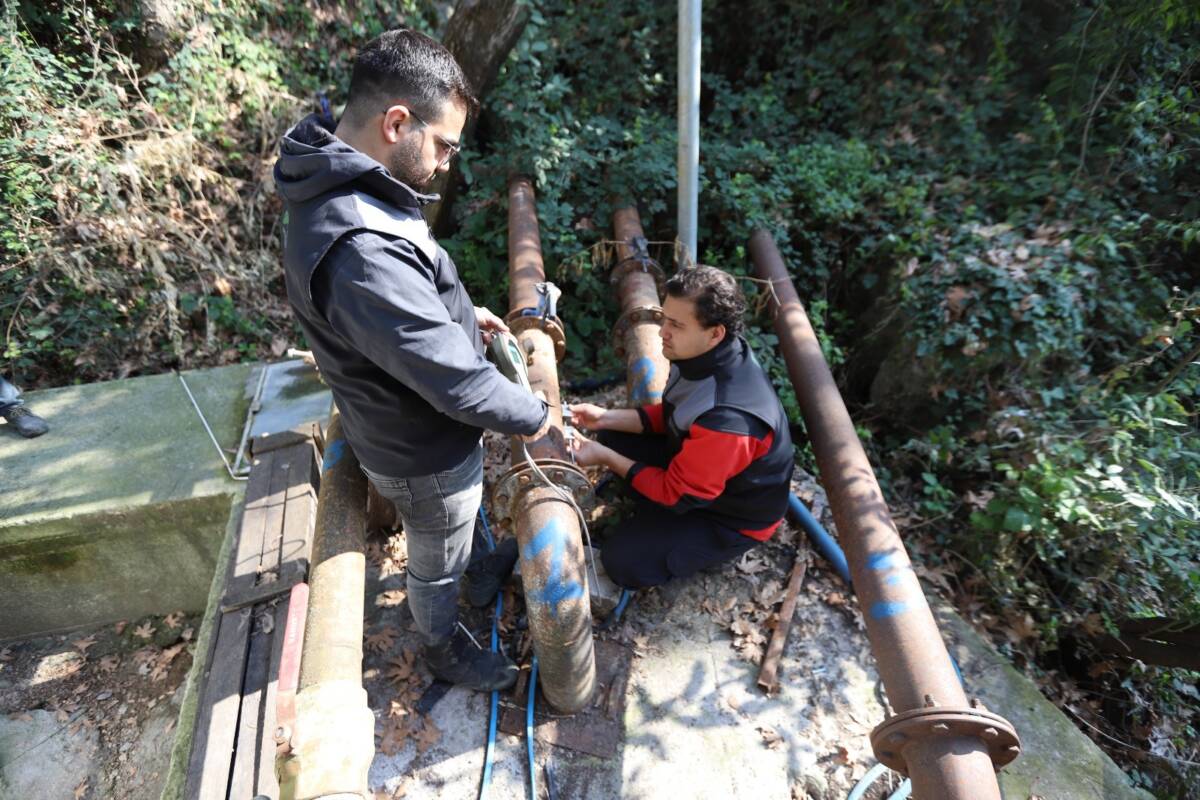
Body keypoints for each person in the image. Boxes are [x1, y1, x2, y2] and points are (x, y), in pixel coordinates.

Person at [274, 29, 550, 692]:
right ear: (398, 121)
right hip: (421, 453)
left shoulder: (348, 175)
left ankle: (481, 568)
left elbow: (409, 301)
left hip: (422, 430)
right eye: (446, 144)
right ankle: (440, 646)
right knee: (435, 562)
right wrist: (538, 414)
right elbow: (457, 386)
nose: (450, 163)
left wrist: (462, 313)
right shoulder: (357, 251)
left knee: (464, 526)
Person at [569, 266, 794, 588]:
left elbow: (677, 495)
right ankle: (647, 510)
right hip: (699, 469)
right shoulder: (709, 354)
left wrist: (606, 458)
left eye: (676, 324)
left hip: (729, 515)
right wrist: (603, 417)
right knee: (611, 433)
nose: (662, 332)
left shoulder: (730, 422)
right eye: (664, 318)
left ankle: (677, 538)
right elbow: (678, 414)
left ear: (714, 332)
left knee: (622, 561)